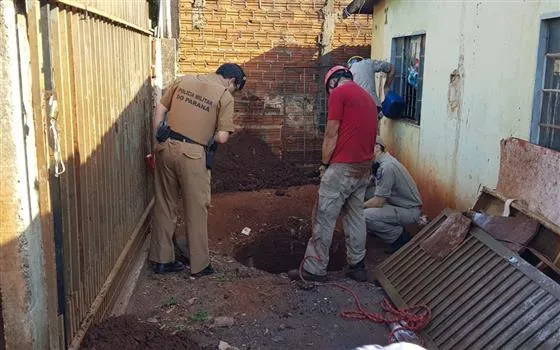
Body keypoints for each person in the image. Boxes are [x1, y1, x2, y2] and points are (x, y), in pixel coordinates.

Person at [149, 63, 246, 276]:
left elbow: (160, 109)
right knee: (196, 207)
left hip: (166, 147)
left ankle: (162, 260)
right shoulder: (224, 96)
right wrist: (225, 129)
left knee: (165, 202)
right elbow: (221, 137)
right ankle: (199, 265)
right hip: (193, 155)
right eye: (235, 89)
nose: (233, 93)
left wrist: (158, 140)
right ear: (231, 81)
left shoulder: (183, 80)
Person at [288, 65, 377, 282]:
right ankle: (357, 266)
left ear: (333, 82)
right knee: (356, 217)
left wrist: (324, 163)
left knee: (324, 216)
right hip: (363, 167)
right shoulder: (368, 98)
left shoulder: (339, 93)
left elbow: (331, 132)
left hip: (341, 168)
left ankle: (314, 268)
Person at [364, 137, 423, 253]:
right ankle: (380, 228)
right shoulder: (383, 161)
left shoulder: (387, 167)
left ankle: (399, 238)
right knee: (366, 191)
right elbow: (370, 183)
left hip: (409, 211)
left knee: (362, 216)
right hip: (399, 204)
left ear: (377, 147)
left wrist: (356, 207)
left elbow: (378, 201)